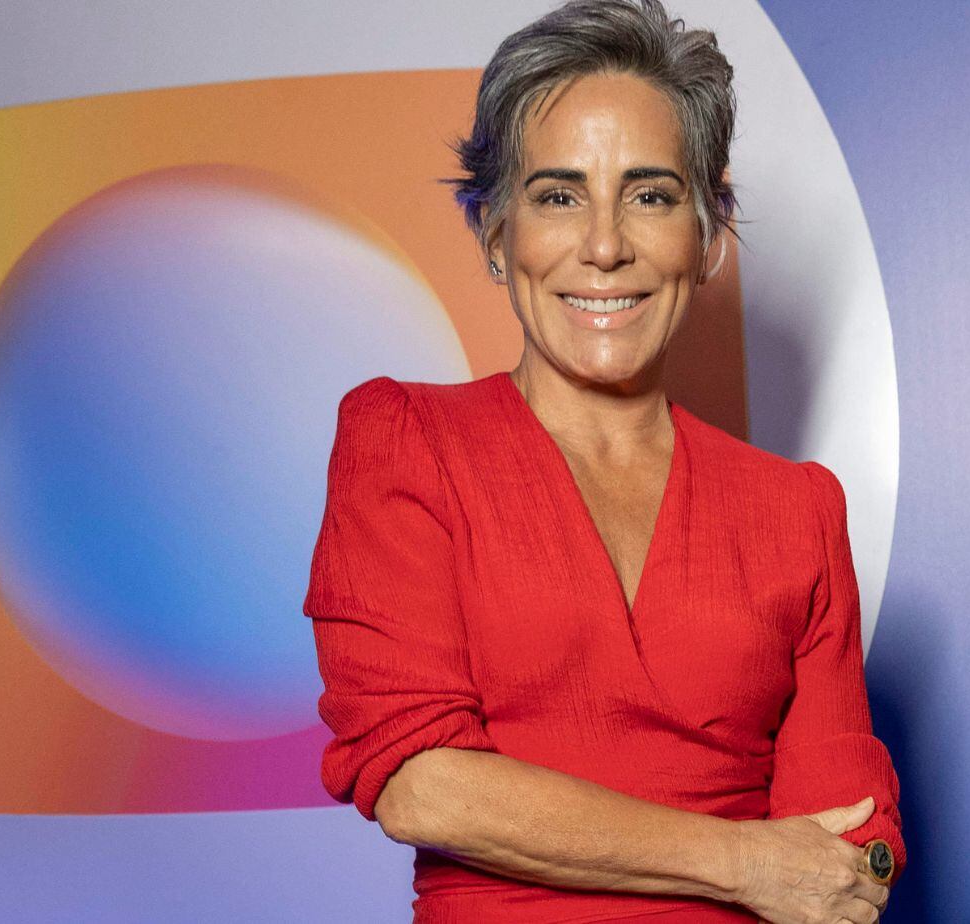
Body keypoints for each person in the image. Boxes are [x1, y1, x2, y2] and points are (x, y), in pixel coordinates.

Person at [302, 1, 904, 920]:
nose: (605, 245)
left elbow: (854, 838)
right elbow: (422, 785)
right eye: (559, 195)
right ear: (495, 232)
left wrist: (860, 863)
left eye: (650, 195)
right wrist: (744, 862)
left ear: (707, 235)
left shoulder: (797, 509)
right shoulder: (407, 444)